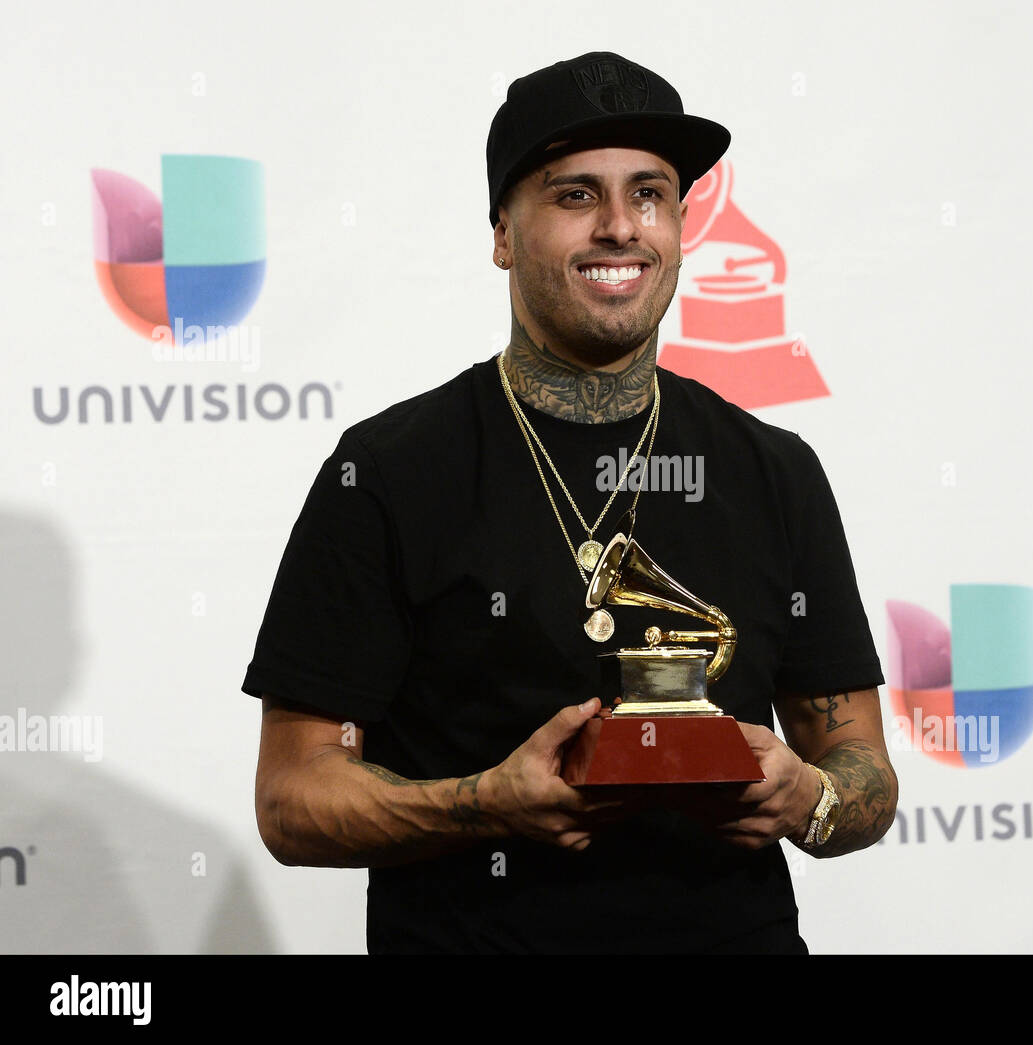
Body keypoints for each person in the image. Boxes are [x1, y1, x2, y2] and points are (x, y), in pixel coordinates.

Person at [242, 51, 898, 954]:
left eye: (652, 194)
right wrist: (485, 805)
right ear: (504, 233)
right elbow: (291, 799)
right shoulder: (386, 472)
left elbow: (864, 768)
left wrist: (809, 796)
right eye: (575, 195)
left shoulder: (776, 469)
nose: (621, 227)